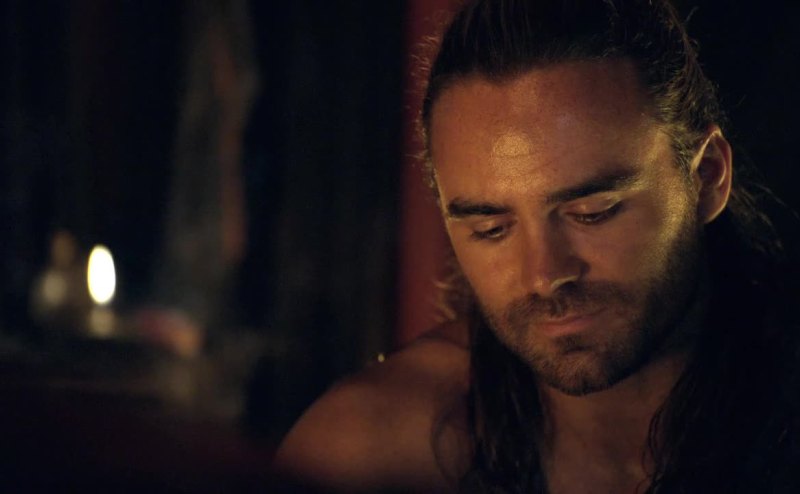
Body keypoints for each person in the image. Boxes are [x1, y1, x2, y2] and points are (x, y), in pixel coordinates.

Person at [274, 0, 800, 492]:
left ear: (707, 178)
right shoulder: (371, 453)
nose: (545, 275)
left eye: (592, 212)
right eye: (491, 229)